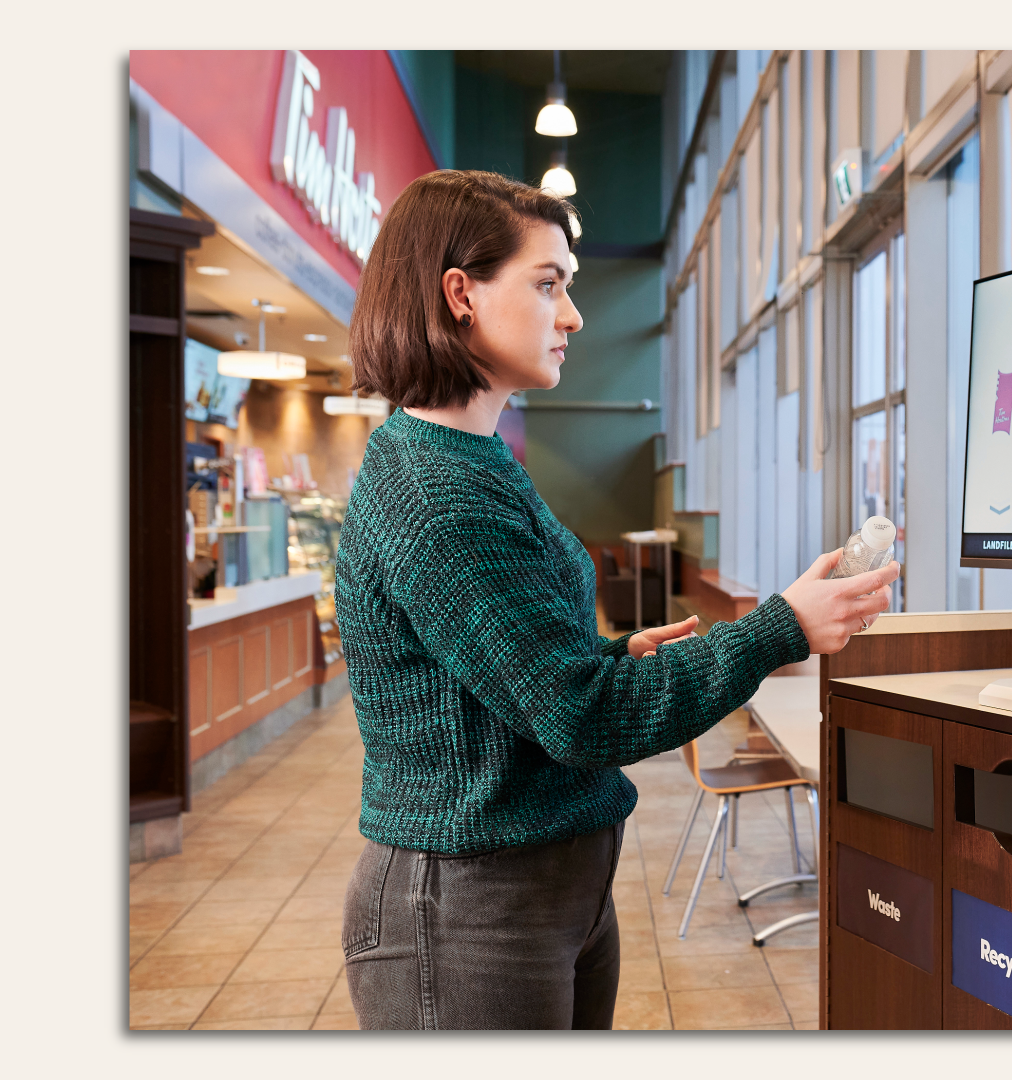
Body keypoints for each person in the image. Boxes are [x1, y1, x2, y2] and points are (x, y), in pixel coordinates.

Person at [333, 170, 900, 1029]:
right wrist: (778, 629)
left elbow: (508, 672)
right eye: (548, 284)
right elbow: (578, 719)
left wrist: (607, 656)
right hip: (468, 910)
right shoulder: (437, 491)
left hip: (543, 888)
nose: (572, 317)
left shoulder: (471, 461)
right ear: (460, 295)